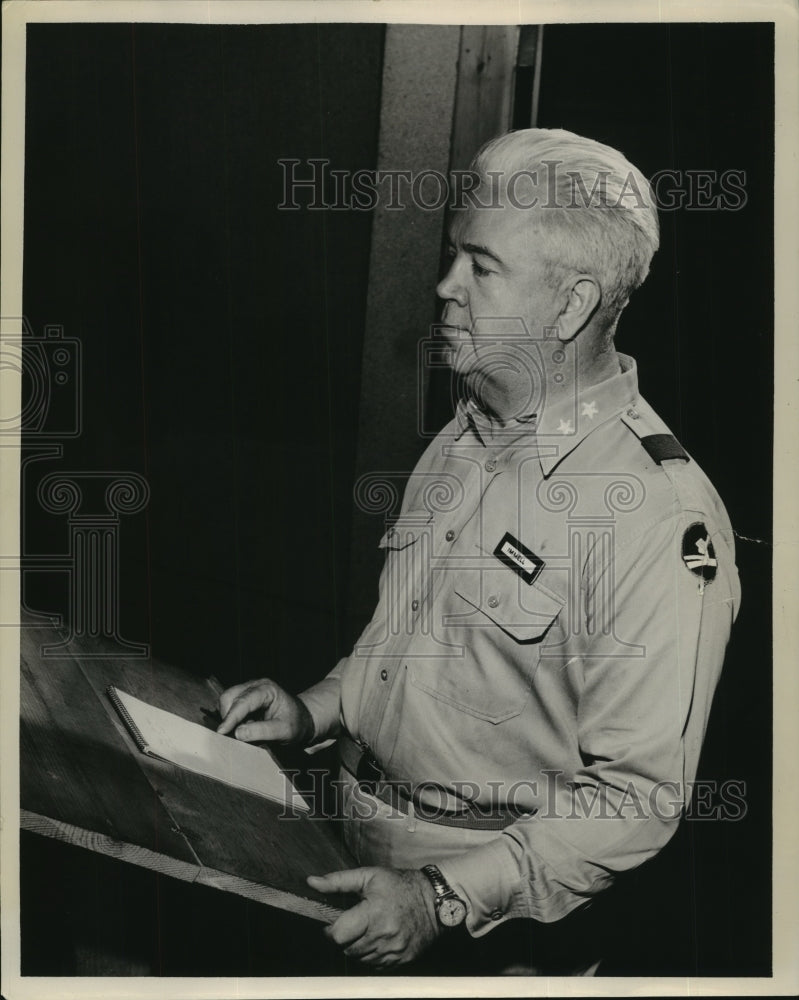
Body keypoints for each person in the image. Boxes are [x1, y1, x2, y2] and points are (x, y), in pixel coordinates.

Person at [217, 128, 741, 975]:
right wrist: (314, 708)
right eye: (452, 256)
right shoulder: (470, 432)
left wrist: (440, 897)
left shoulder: (656, 516)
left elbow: (636, 800)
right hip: (346, 845)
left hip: (486, 931)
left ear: (568, 306)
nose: (443, 287)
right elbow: (409, 643)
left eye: (479, 266)